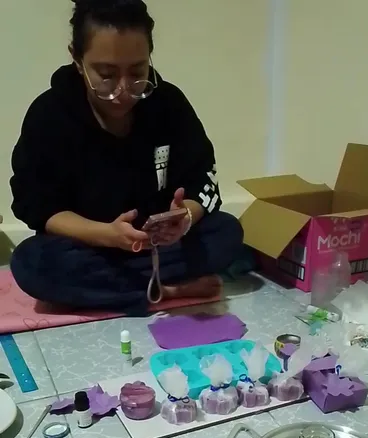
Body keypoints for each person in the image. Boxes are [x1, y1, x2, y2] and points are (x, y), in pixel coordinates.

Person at [10, 0, 244, 315]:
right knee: (31, 261)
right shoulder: (50, 115)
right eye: (106, 74)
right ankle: (167, 290)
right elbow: (39, 207)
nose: (123, 90)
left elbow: (201, 177)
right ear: (77, 60)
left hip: (157, 246)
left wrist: (185, 217)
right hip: (91, 247)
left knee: (226, 231)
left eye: (137, 72)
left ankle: (121, 290)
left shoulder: (168, 104)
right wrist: (106, 234)